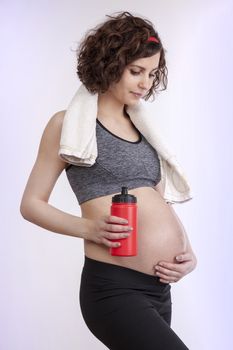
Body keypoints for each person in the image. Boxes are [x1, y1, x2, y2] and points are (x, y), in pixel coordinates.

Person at [20, 11, 197, 350]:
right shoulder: (68, 125)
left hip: (160, 289)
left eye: (151, 72)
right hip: (114, 288)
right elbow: (31, 205)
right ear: (110, 64)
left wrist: (187, 251)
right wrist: (89, 229)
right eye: (136, 71)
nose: (146, 82)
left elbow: (159, 201)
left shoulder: (145, 133)